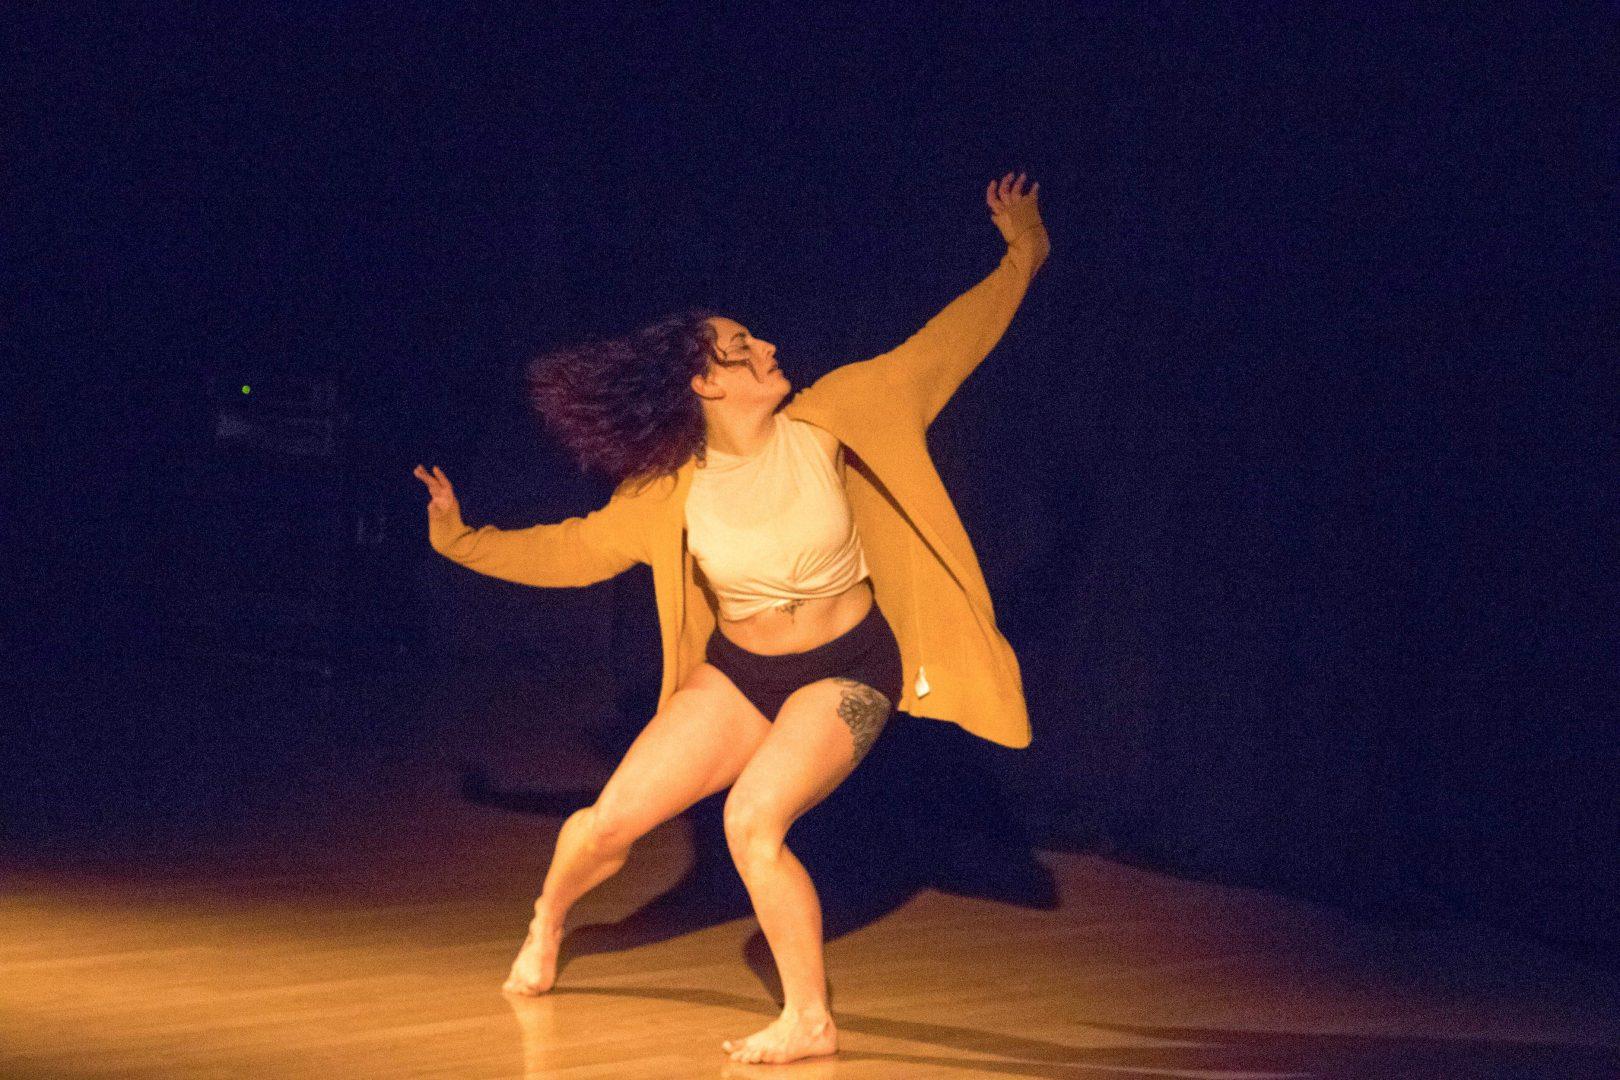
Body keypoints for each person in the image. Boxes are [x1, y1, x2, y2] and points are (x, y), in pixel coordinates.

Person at [412, 172, 1049, 1065]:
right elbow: (572, 551)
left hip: (850, 667)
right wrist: (462, 542)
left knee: (753, 821)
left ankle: (810, 1021)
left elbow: (948, 345)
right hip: (739, 674)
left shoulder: (842, 416)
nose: (769, 348)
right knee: (605, 827)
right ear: (706, 382)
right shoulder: (671, 491)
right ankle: (550, 919)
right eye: (745, 346)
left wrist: (1023, 252)